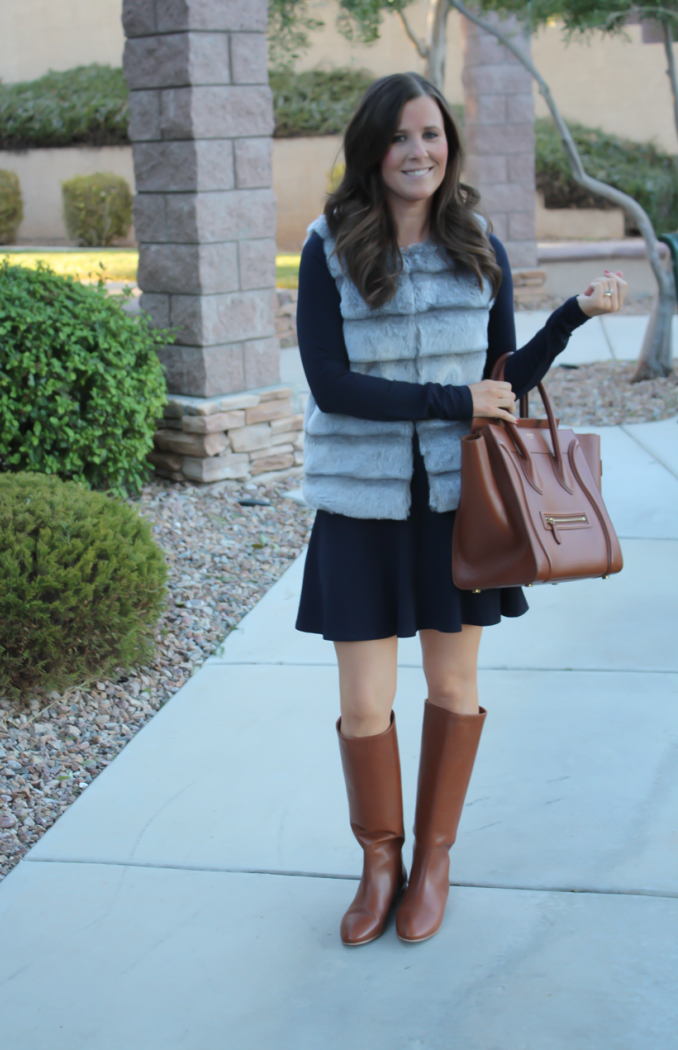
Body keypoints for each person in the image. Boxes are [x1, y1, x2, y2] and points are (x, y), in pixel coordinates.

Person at [294, 72, 627, 946]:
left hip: (454, 506)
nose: (418, 152)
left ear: (449, 147)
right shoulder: (328, 245)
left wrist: (570, 319)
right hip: (359, 509)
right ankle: (380, 862)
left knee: (453, 684)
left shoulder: (476, 243)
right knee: (364, 704)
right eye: (401, 137)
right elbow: (331, 387)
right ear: (373, 148)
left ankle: (434, 860)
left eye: (432, 135)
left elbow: (501, 381)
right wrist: (452, 403)